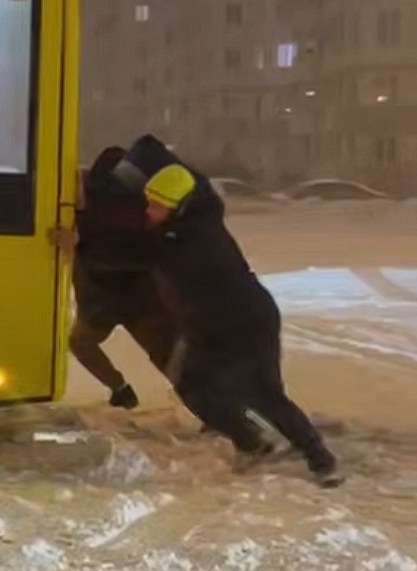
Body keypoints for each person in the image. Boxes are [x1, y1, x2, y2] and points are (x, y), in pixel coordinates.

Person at [115, 135, 343, 487]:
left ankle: (320, 460)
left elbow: (144, 255)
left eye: (154, 206)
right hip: (215, 323)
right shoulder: (185, 224)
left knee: (263, 394)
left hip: (242, 321)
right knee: (195, 386)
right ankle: (253, 442)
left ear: (173, 207)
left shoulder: (190, 240)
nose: (148, 212)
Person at [67, 146, 178, 410]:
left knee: (165, 357)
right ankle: (121, 391)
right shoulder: (134, 204)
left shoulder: (107, 206)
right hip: (123, 298)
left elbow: (118, 250)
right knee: (165, 357)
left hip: (122, 298)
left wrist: (75, 245)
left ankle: (213, 407)